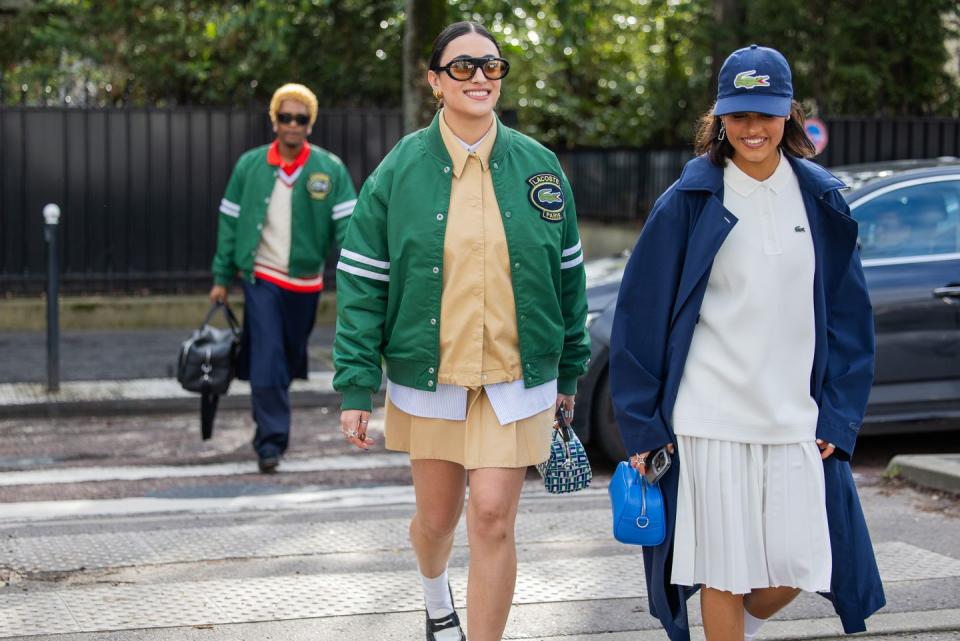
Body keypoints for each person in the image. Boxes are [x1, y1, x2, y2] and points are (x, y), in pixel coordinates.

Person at [609, 45, 885, 641]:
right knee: (721, 576)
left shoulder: (819, 199)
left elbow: (850, 320)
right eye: (738, 115)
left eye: (765, 113)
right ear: (720, 117)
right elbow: (638, 318)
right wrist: (642, 428)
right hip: (710, 419)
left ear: (789, 112)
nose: (752, 128)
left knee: (805, 562)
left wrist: (838, 417)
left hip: (795, 420)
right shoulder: (689, 200)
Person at [333, 21, 590, 641]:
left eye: (492, 67)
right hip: (432, 376)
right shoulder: (399, 170)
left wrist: (570, 371)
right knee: (437, 519)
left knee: (494, 520)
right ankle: (433, 593)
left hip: (515, 379)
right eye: (463, 67)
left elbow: (569, 279)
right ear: (435, 82)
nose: (479, 77)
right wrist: (355, 386)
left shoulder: (540, 166)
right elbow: (362, 283)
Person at [209, 83, 357, 473]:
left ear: (311, 124)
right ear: (274, 121)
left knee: (288, 357)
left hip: (306, 283)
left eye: (301, 118)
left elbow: (348, 228)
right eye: (286, 117)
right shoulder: (250, 166)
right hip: (262, 277)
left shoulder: (329, 168)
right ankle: (270, 442)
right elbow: (229, 221)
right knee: (268, 356)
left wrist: (359, 275)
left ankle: (271, 406)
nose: (293, 124)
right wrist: (222, 276)